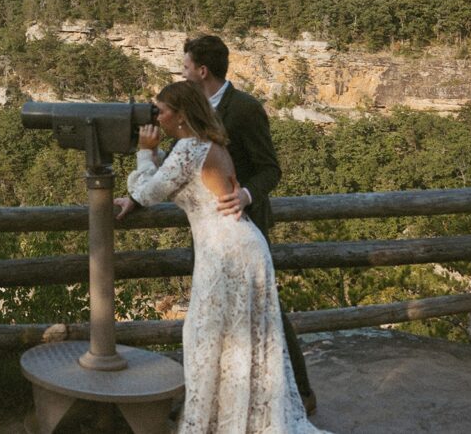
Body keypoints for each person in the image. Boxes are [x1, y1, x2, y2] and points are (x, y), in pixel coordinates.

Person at [116, 81, 325, 433]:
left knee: (207, 336)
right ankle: (234, 417)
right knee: (232, 337)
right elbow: (172, 178)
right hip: (237, 245)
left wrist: (143, 152)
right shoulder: (202, 144)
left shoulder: (188, 150)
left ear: (180, 115)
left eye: (161, 111)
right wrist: (153, 163)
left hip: (225, 251)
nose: (157, 117)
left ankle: (220, 420)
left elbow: (147, 191)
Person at [179, 34, 317, 415]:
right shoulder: (191, 110)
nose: (183, 72)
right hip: (208, 231)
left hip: (244, 225)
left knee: (266, 308)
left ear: (202, 70)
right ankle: (212, 397)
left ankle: (301, 391)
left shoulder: (245, 109)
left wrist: (246, 196)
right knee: (213, 312)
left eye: (186, 66)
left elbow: (271, 168)